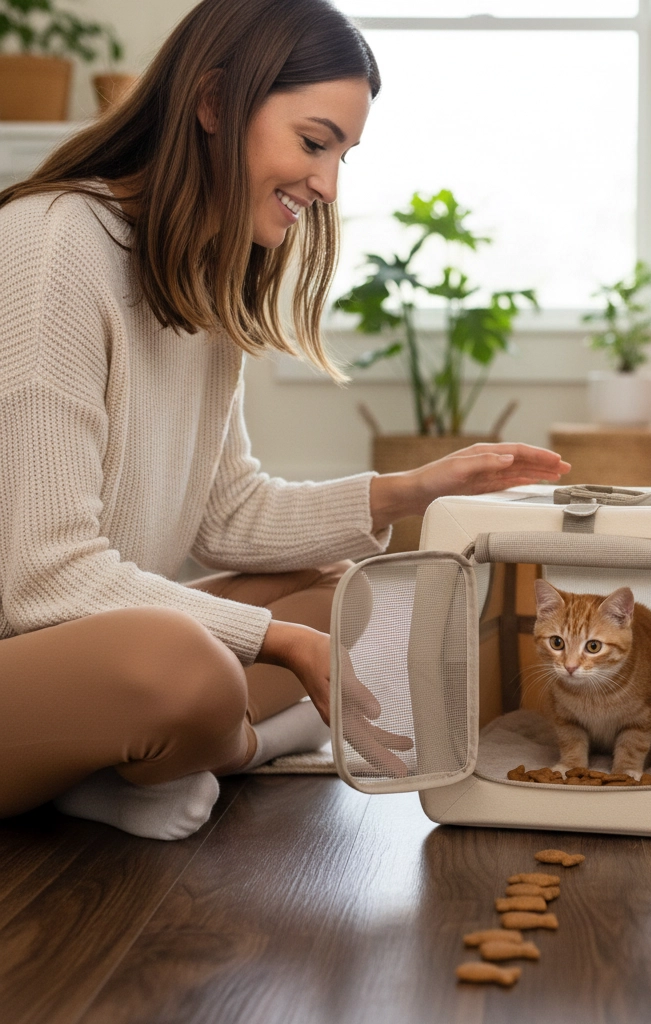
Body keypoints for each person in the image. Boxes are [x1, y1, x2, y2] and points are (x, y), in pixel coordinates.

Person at [0, 0, 568, 841]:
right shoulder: (51, 245)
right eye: (313, 143)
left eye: (342, 154)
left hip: (79, 650)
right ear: (215, 105)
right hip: (33, 642)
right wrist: (278, 646)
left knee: (340, 594)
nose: (328, 185)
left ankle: (129, 770)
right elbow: (44, 577)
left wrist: (410, 491)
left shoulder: (198, 274)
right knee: (191, 666)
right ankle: (228, 746)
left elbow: (226, 512)